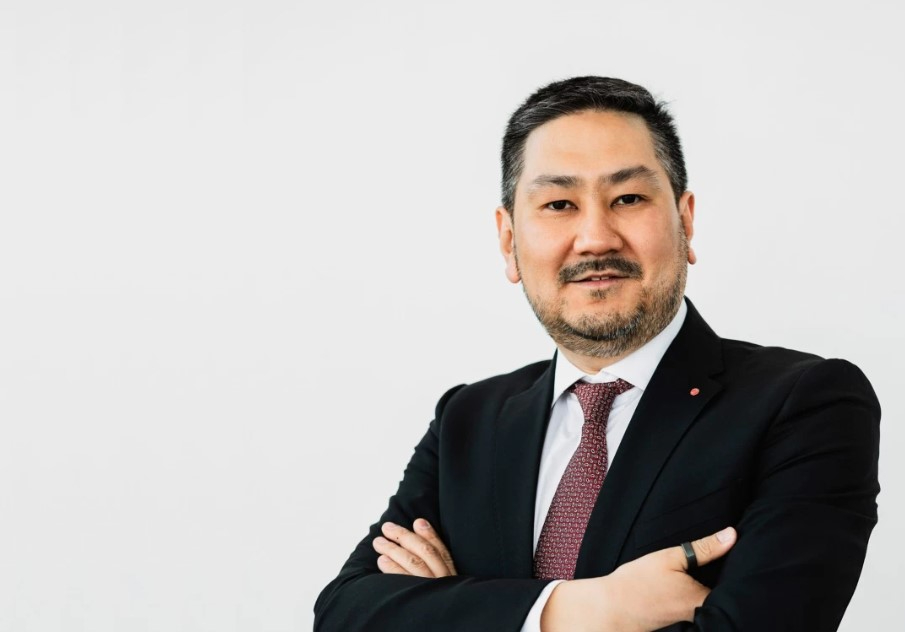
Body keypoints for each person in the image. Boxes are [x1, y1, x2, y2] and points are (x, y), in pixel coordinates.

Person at [312, 76, 881, 631]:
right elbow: (344, 613)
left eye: (628, 198)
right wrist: (583, 610)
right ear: (509, 241)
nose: (595, 238)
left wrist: (451, 609)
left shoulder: (806, 403)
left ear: (685, 221)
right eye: (558, 204)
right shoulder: (469, 419)